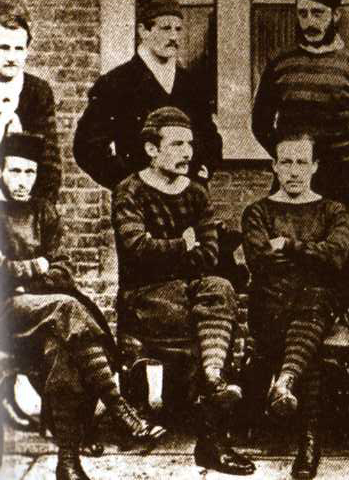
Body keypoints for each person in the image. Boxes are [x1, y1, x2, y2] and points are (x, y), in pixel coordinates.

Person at [0, 132, 165, 480]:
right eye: (15, 171)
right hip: (7, 313)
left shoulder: (44, 212)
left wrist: (25, 274)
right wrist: (37, 266)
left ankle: (68, 462)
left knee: (62, 351)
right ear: (1, 171)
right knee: (67, 308)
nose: (23, 181)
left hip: (43, 315)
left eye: (29, 172)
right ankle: (120, 408)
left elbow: (62, 269)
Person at [111, 107, 254, 475]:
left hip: (189, 288)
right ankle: (213, 434)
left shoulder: (196, 194)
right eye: (176, 144)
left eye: (189, 144)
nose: (187, 152)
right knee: (202, 317)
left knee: (220, 287)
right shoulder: (129, 191)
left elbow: (210, 254)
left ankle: (212, 380)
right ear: (151, 150)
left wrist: (174, 250)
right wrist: (182, 245)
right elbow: (137, 251)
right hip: (145, 295)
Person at [241, 132, 349, 479]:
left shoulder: (333, 210)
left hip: (315, 306)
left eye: (302, 162)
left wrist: (289, 246)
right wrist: (313, 257)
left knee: (314, 303)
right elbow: (261, 262)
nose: (294, 170)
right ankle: (309, 441)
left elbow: (338, 256)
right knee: (312, 315)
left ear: (315, 166)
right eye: (286, 162)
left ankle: (287, 387)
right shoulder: (258, 212)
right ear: (274, 166)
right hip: (271, 310)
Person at [252, 0, 349, 224]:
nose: (309, 22)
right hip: (289, 190)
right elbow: (260, 124)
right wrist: (289, 161)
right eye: (303, 13)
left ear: (336, 15)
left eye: (318, 13)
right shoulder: (279, 64)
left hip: (339, 191)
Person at [73, 0, 222, 190]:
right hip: (138, 201)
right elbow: (86, 147)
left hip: (187, 198)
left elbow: (211, 140)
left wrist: (201, 173)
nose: (174, 36)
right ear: (143, 31)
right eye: (165, 28)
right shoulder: (115, 83)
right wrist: (126, 183)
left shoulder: (192, 85)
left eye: (178, 29)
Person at [0, 0, 60, 201]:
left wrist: (41, 208)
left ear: (26, 51)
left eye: (18, 49)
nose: (11, 57)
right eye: (4, 47)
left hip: (25, 203)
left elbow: (49, 160)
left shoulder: (38, 92)